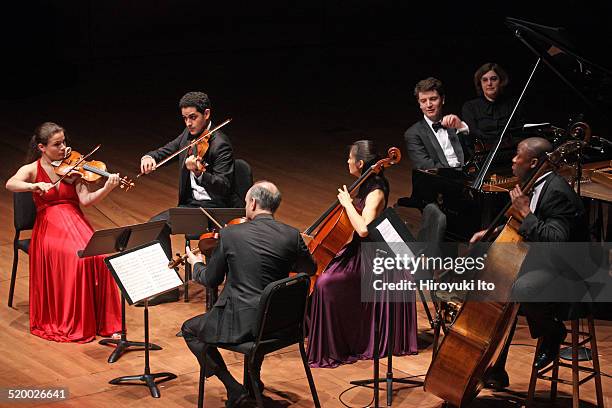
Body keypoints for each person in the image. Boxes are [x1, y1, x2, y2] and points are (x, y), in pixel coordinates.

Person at [181, 181, 316, 407]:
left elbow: (211, 280)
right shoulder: (291, 235)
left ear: (252, 203)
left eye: (245, 202)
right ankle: (254, 382)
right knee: (260, 310)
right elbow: (310, 269)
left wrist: (196, 265)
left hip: (244, 325)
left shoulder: (231, 235)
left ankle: (234, 389)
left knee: (190, 330)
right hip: (282, 324)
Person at [470, 137, 588, 389]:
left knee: (521, 287)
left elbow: (556, 240)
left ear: (533, 162)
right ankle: (496, 368)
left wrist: (526, 213)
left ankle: (553, 333)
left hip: (570, 273)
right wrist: (492, 232)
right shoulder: (534, 182)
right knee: (500, 279)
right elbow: (530, 222)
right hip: (547, 262)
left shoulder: (556, 192)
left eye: (517, 155)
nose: (513, 160)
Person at [5, 122, 122, 343]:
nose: (63, 148)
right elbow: (11, 184)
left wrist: (107, 187)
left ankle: (103, 322)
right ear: (42, 147)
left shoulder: (73, 169)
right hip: (49, 226)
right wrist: (34, 186)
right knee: (76, 259)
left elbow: (86, 200)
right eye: (57, 144)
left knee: (99, 256)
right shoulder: (32, 169)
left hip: (75, 221)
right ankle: (76, 322)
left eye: (64, 142)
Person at [307, 140, 418, 368]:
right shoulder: (366, 181)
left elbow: (364, 229)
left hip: (371, 256)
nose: (347, 161)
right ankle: (330, 336)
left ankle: (338, 342)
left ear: (359, 163)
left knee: (326, 283)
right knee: (323, 275)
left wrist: (347, 204)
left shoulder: (375, 191)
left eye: (350, 158)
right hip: (358, 251)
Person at [140, 91, 235, 304]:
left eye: (193, 117)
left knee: (157, 223)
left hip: (214, 211)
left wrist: (201, 173)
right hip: (191, 207)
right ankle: (168, 287)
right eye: (185, 118)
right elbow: (167, 150)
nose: (189, 123)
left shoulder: (221, 145)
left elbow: (225, 187)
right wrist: (149, 156)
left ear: (207, 114)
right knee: (155, 225)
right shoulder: (187, 136)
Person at [404, 77, 472, 169]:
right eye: (423, 101)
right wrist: (456, 171)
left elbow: (473, 151)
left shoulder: (455, 124)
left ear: (442, 99)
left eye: (433, 99)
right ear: (419, 104)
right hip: (439, 180)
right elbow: (425, 165)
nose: (428, 105)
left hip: (468, 178)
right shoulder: (413, 133)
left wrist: (461, 127)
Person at [461, 62, 524, 147]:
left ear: (501, 81)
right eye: (485, 80)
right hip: (484, 153)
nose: (489, 83)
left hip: (512, 150)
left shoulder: (514, 104)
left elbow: (520, 133)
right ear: (480, 83)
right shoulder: (470, 107)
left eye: (494, 79)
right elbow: (473, 135)